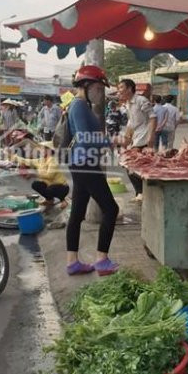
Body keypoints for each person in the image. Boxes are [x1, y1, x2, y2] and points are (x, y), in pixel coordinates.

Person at [65, 65, 120, 277]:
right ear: (86, 85)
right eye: (99, 87)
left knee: (77, 213)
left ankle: (72, 263)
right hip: (85, 165)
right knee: (111, 209)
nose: (101, 92)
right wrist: (108, 142)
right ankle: (101, 259)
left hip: (81, 164)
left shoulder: (81, 105)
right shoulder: (79, 106)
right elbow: (85, 139)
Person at [116, 78, 156, 202]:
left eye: (121, 87)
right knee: (133, 167)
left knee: (132, 165)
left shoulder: (141, 100)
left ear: (129, 88)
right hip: (136, 138)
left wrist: (151, 137)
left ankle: (142, 193)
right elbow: (131, 123)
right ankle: (142, 193)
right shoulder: (127, 104)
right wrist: (126, 138)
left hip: (143, 138)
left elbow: (153, 118)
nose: (119, 90)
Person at [12, 142, 69, 208]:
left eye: (42, 149)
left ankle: (63, 200)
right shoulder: (41, 160)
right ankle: (49, 200)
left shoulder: (53, 161)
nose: (40, 151)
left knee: (50, 189)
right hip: (50, 185)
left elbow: (49, 176)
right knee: (36, 184)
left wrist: (34, 175)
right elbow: (28, 161)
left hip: (62, 187)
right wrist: (15, 157)